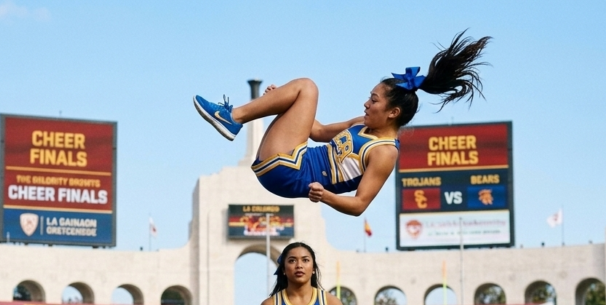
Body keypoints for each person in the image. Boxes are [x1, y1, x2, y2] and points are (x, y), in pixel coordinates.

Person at [193, 31, 490, 217]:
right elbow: (317, 131)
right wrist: (281, 103)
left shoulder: (385, 152)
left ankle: (232, 118)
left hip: (293, 173)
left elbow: (360, 205)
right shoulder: (360, 123)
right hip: (293, 158)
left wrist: (326, 197)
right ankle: (235, 118)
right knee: (300, 92)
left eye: (374, 100)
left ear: (393, 113)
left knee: (307, 87)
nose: (366, 104)